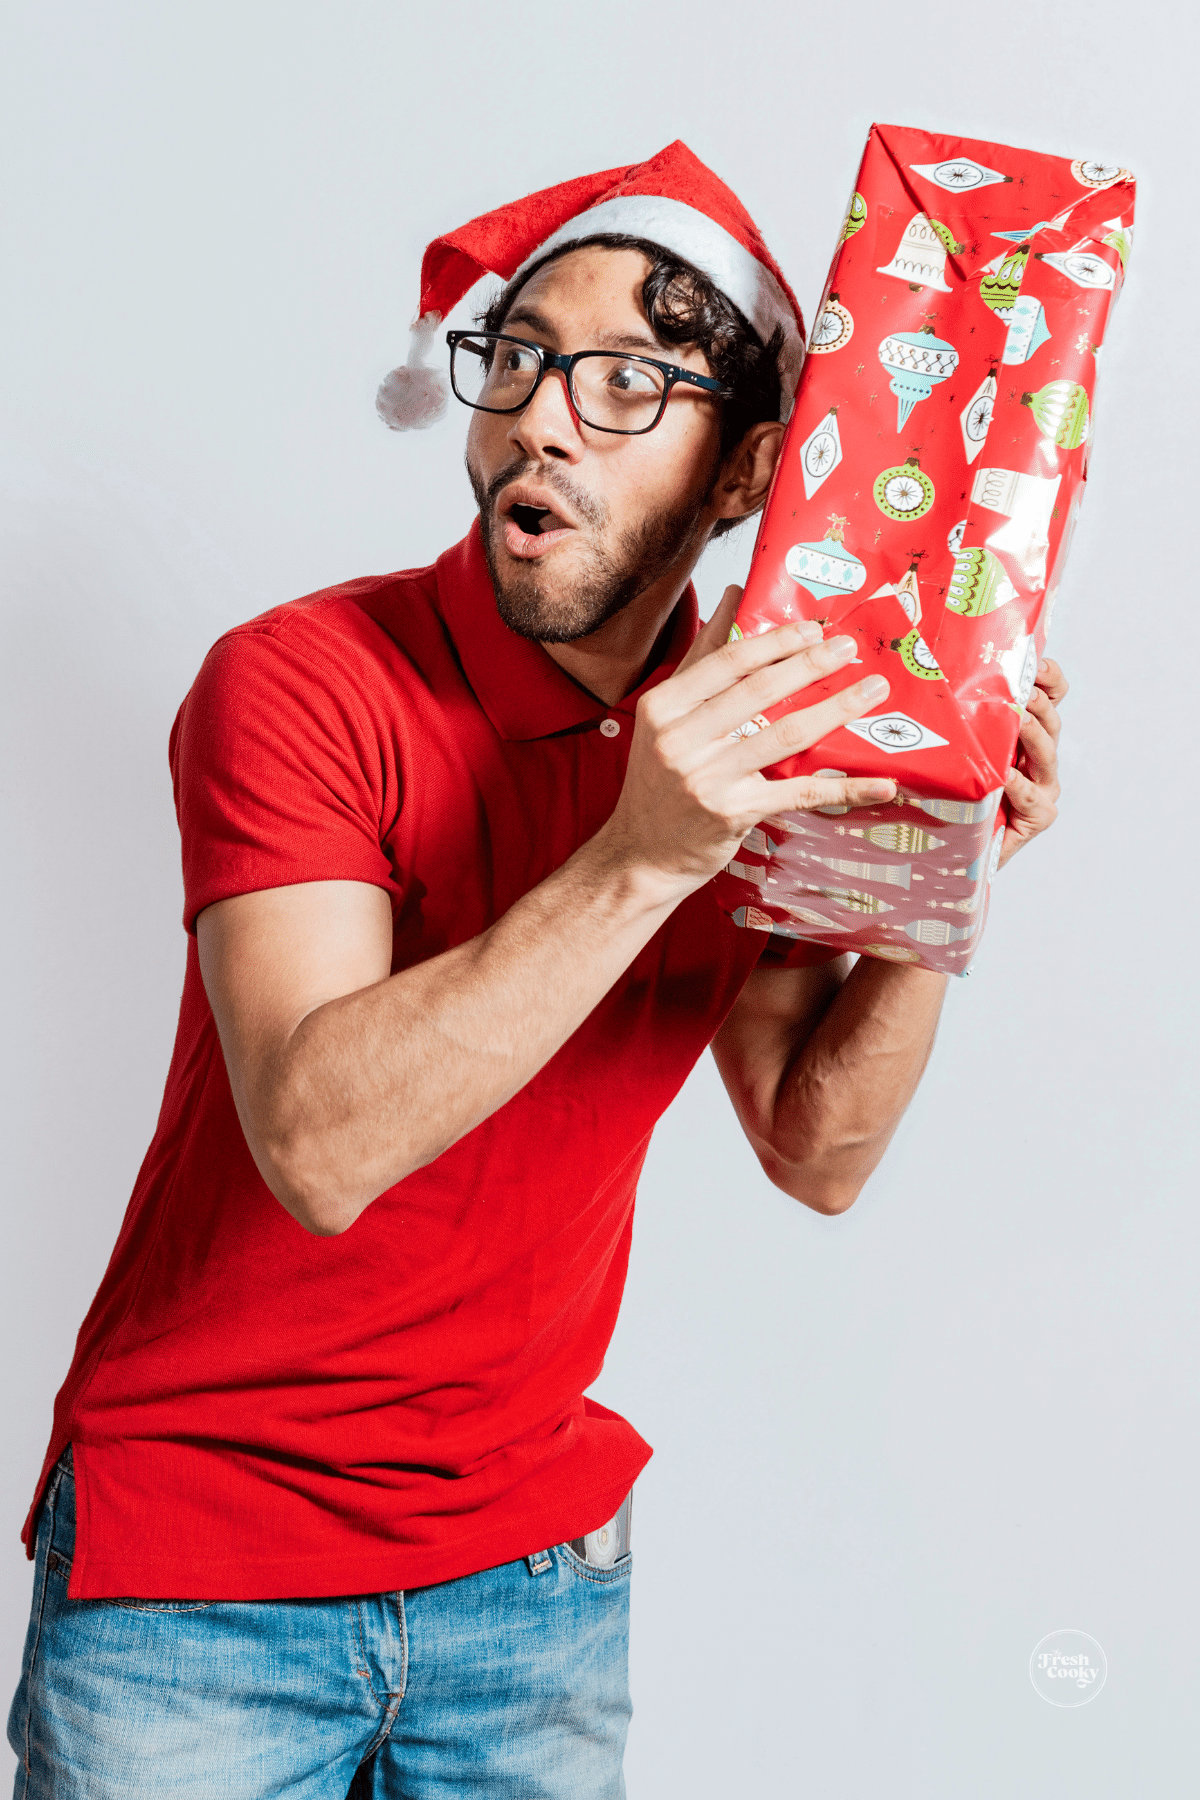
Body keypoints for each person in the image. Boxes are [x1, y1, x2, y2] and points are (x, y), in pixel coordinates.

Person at [8, 142, 1066, 1800]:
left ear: (748, 478)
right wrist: (645, 849)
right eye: (518, 360)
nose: (541, 418)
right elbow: (319, 1140)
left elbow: (817, 1147)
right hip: (196, 1586)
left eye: (631, 381)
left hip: (534, 1589)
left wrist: (946, 869)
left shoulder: (755, 732)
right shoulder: (300, 681)